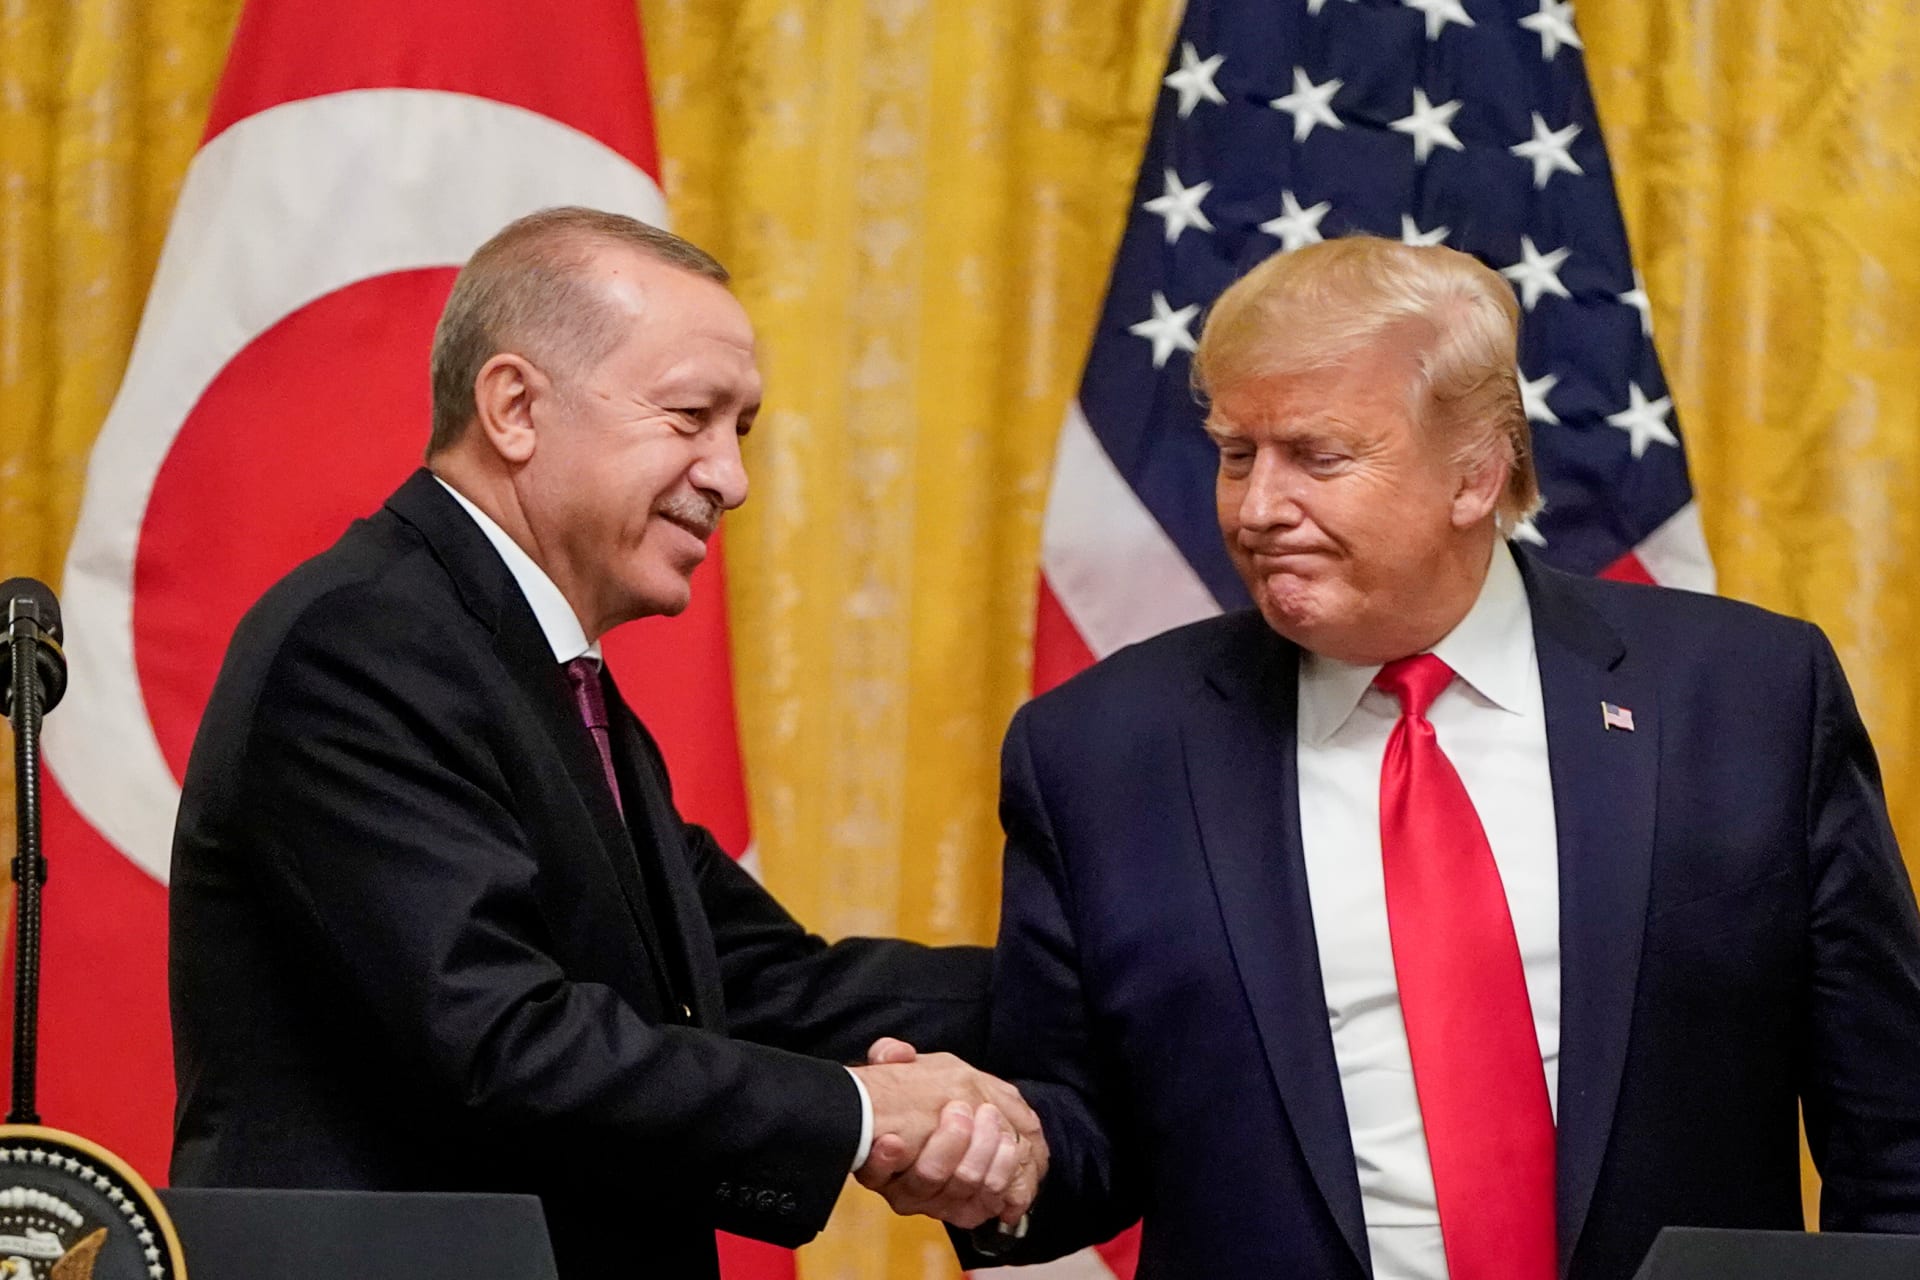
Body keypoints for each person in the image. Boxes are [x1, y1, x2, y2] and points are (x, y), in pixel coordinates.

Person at [966, 236, 1920, 1278]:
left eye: (1317, 456)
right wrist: (982, 1158)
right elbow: (1077, 1144)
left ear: (1476, 475)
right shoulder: (1101, 750)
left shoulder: (1747, 697)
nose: (1256, 508)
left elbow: (1893, 1123)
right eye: (1237, 453)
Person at [169, 206, 1038, 1277]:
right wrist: (862, 1108)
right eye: (691, 416)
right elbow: (498, 1039)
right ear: (516, 407)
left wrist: (1124, 984)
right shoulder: (364, 643)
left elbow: (763, 979)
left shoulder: (542, 674)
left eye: (743, 429)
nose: (731, 476)